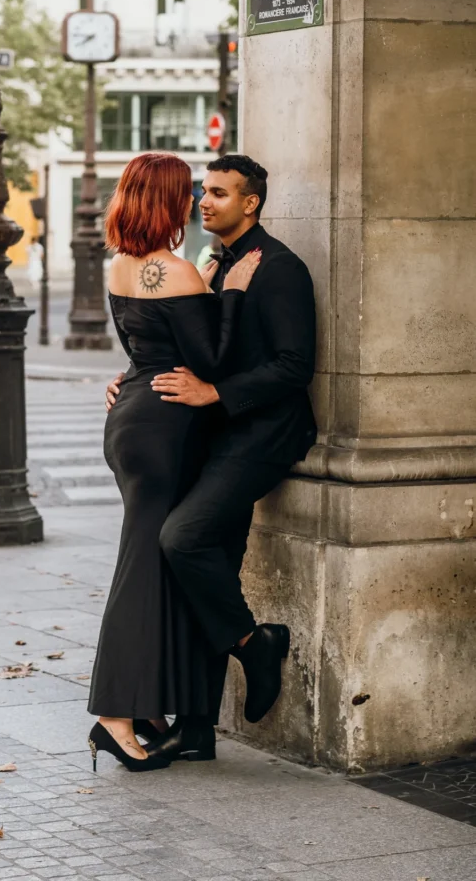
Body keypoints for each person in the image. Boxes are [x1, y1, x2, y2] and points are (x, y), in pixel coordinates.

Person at [105, 154, 317, 763]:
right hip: (205, 433)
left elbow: (293, 367)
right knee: (204, 561)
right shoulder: (204, 263)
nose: (205, 201)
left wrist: (215, 393)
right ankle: (196, 726)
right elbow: (171, 338)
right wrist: (135, 375)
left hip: (260, 433)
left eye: (219, 193)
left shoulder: (278, 268)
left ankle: (254, 642)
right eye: (201, 190)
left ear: (250, 203)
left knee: (183, 539)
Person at [88, 152, 263, 774]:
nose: (194, 201)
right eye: (185, 192)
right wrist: (232, 294)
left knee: (153, 558)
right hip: (165, 428)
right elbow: (210, 360)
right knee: (142, 565)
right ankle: (113, 714)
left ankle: (149, 709)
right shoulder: (178, 271)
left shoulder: (121, 265)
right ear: (165, 200)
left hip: (132, 417)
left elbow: (142, 349)